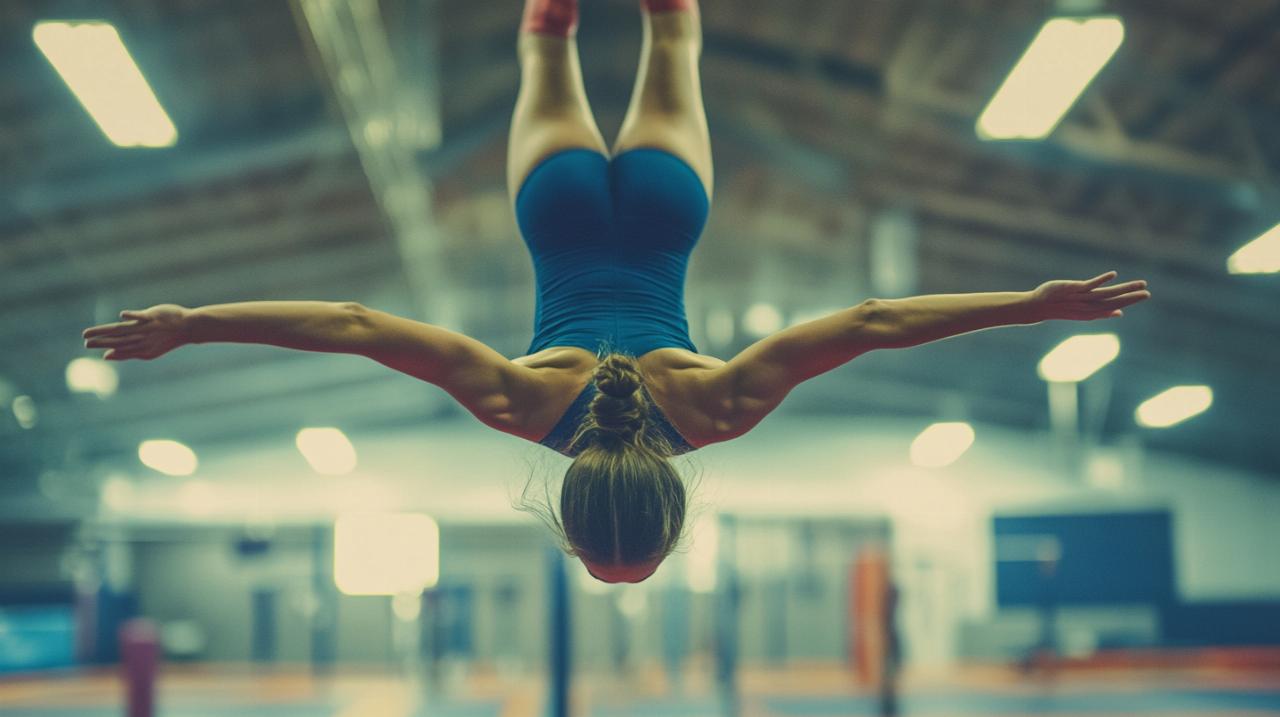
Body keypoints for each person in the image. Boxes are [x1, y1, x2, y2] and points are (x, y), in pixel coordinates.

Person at [81, 0, 1151, 584]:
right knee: (547, 30)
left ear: (672, 502)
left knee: (671, 26)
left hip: (662, 210)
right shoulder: (517, 403)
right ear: (569, 506)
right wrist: (194, 323)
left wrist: (1027, 304)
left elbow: (870, 324)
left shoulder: (716, 409)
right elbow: (358, 327)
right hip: (555, 212)